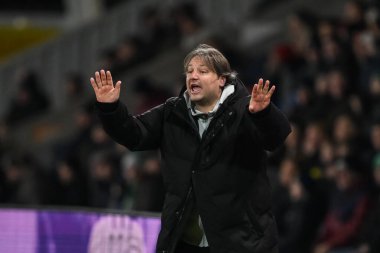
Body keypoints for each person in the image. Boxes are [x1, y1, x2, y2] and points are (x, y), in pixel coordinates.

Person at [89, 44, 291, 253]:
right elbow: (134, 134)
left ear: (222, 79)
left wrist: (263, 114)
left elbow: (275, 138)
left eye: (203, 71)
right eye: (190, 71)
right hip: (185, 243)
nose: (193, 76)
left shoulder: (245, 109)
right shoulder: (172, 112)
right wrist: (110, 109)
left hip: (241, 242)